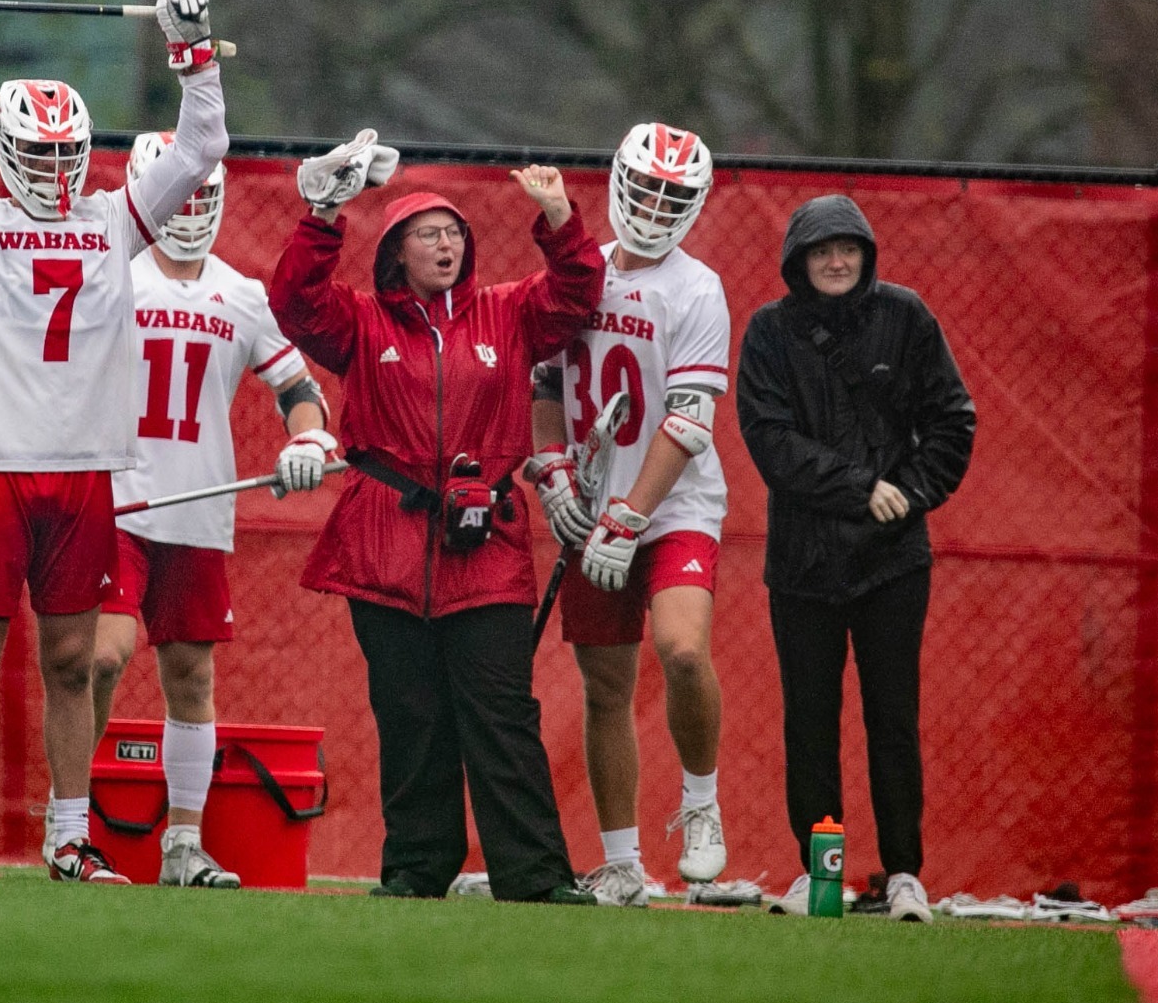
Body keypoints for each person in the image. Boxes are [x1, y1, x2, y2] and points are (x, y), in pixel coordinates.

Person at [0, 0, 229, 883]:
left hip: (83, 473)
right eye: (38, 150)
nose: (56, 168)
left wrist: (196, 53)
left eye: (69, 151)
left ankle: (70, 840)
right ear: (3, 148)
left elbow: (202, 147)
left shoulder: (114, 219)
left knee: (73, 661)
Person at [267, 137, 604, 904]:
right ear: (394, 251)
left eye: (454, 232)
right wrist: (323, 216)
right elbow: (292, 301)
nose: (445, 244)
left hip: (486, 542)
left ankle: (537, 875)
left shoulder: (510, 310)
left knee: (503, 715)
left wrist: (559, 218)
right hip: (384, 541)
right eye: (428, 233)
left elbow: (580, 291)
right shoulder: (359, 322)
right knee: (410, 715)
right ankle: (417, 868)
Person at [86, 130, 334, 889]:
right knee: (100, 655)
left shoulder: (243, 294)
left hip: (198, 509)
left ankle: (183, 844)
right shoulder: (110, 277)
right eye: (177, 192)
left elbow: (300, 392)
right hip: (118, 500)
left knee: (190, 676)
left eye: (200, 193)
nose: (189, 207)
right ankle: (69, 824)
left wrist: (310, 441)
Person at [736, 194, 975, 924]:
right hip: (802, 564)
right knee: (809, 722)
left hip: (893, 562)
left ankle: (904, 874)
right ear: (798, 261)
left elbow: (952, 418)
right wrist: (859, 488)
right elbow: (768, 438)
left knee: (892, 717)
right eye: (821, 250)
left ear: (867, 254)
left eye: (848, 248)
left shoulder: (907, 318)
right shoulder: (769, 333)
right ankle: (822, 877)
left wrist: (909, 491)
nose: (836, 261)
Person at [524, 122, 731, 905]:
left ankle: (702, 803)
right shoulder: (580, 269)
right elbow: (546, 383)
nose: (651, 204)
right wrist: (552, 474)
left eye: (671, 194)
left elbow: (686, 421)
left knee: (681, 649)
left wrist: (629, 517)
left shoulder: (697, 286)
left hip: (672, 502)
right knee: (604, 684)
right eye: (643, 187)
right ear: (617, 181)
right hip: (593, 494)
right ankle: (621, 860)